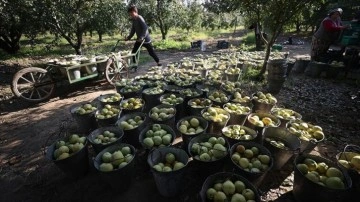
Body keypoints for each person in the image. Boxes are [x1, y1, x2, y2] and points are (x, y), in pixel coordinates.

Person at [125, 5, 161, 70]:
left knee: (151, 52)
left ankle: (158, 62)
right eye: (130, 14)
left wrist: (142, 37)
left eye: (131, 13)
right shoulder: (134, 20)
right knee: (134, 52)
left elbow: (145, 28)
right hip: (139, 40)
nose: (131, 15)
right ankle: (135, 65)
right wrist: (128, 37)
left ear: (135, 12)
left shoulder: (139, 18)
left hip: (145, 39)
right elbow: (133, 30)